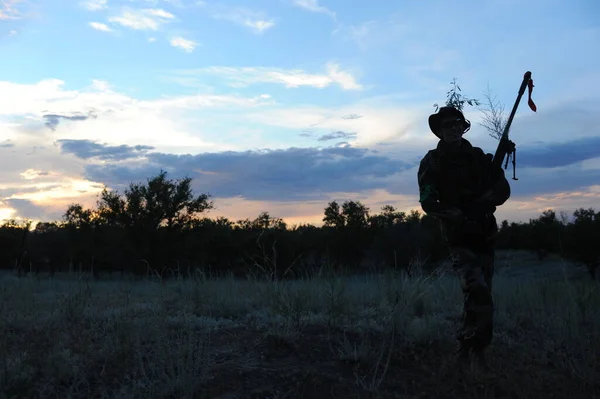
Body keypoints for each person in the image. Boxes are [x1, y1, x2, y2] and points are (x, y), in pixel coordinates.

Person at [417, 106, 511, 369]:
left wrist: (482, 204)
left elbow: (502, 190)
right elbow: (427, 201)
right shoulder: (432, 161)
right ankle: (468, 346)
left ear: (463, 126)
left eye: (457, 123)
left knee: (482, 294)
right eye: (448, 125)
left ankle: (476, 349)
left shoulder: (479, 158)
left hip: (483, 233)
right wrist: (457, 215)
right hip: (458, 236)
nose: (453, 129)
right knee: (476, 288)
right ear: (440, 130)